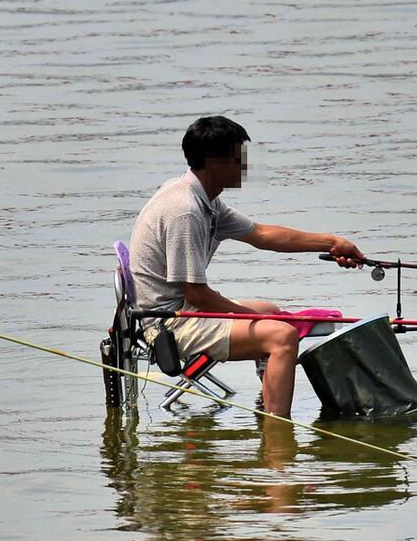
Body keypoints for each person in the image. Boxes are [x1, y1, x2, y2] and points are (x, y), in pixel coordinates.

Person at [128, 115, 364, 417]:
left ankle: (267, 403)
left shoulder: (203, 199)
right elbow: (198, 295)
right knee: (282, 336)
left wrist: (333, 242)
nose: (245, 167)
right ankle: (279, 434)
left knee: (271, 311)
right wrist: (249, 316)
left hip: (181, 309)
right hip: (168, 324)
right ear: (214, 162)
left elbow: (262, 235)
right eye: (238, 159)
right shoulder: (184, 212)